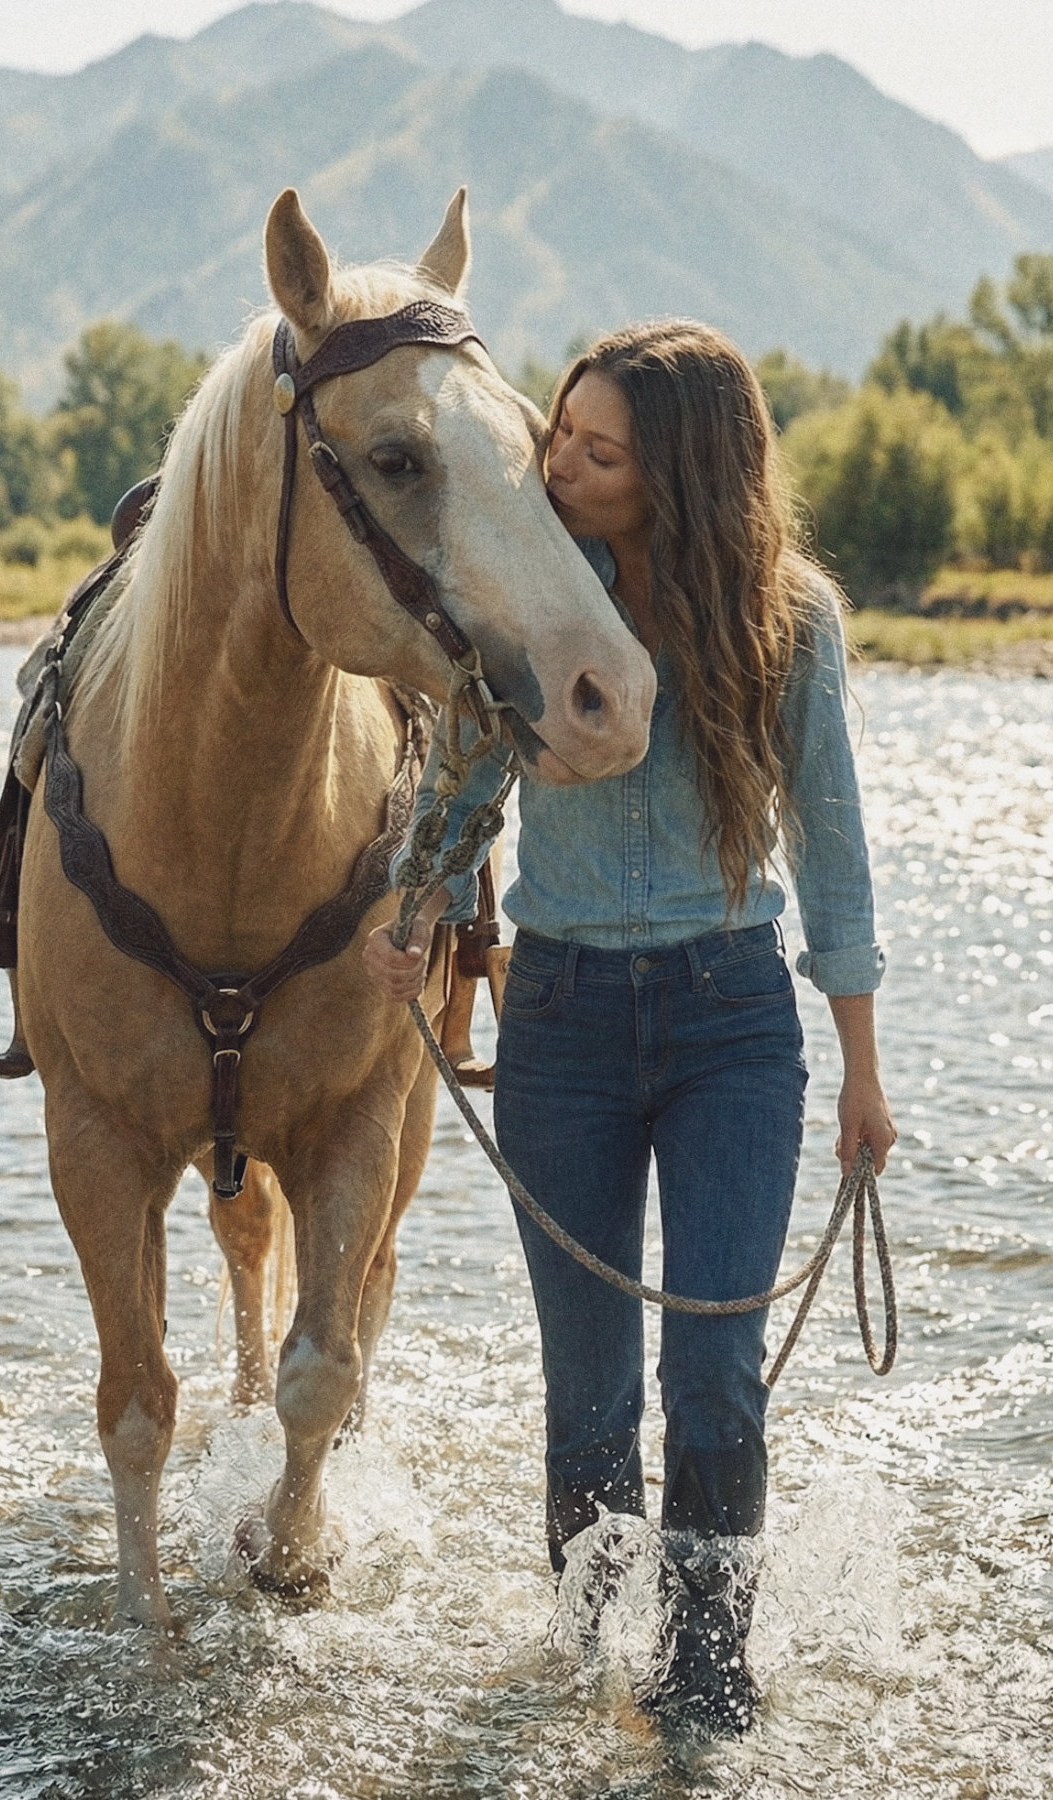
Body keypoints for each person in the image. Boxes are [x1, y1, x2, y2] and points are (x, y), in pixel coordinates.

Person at [364, 320, 896, 1740]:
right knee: (591, 1385)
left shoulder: (791, 617)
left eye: (600, 452)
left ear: (680, 471)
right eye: (563, 436)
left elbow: (833, 857)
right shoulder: (527, 592)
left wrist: (862, 1070)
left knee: (714, 1368)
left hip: (735, 1023)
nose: (563, 465)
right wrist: (415, 908)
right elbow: (467, 781)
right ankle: (592, 1664)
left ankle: (705, 1681)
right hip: (563, 1021)